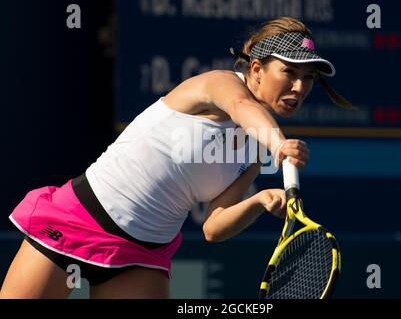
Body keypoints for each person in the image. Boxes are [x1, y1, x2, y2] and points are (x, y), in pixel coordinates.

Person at [0, 16, 348, 299]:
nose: (300, 88)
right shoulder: (220, 84)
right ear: (256, 69)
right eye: (289, 73)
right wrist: (279, 145)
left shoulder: (255, 151)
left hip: (141, 259)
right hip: (80, 219)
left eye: (308, 79)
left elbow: (214, 226)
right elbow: (242, 108)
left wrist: (258, 200)